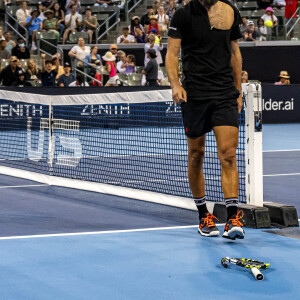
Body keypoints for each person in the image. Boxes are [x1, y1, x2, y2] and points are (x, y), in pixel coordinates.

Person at [166, 0, 245, 239]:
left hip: (223, 93)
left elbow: (235, 52)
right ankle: (204, 215)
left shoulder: (231, 11)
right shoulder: (182, 15)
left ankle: (232, 217)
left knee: (228, 154)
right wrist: (175, 84)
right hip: (194, 94)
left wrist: (238, 90)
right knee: (196, 154)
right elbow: (172, 53)